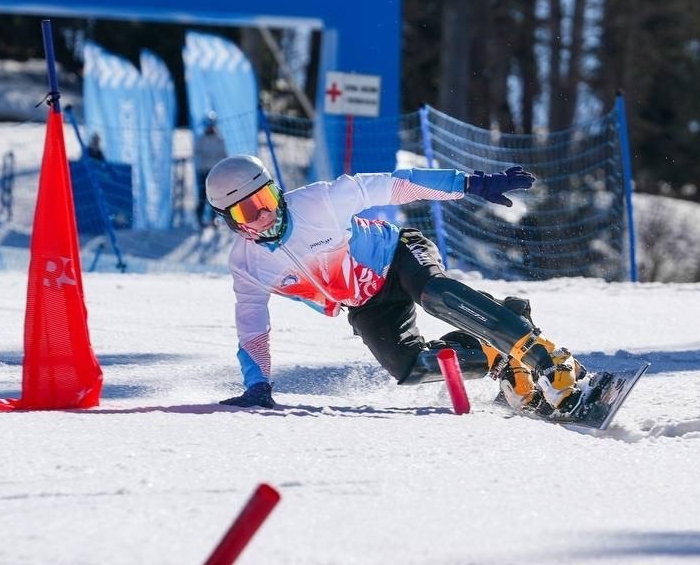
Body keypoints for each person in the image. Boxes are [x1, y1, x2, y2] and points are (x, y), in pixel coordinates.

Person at [205, 155, 589, 417]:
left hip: (399, 255)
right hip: (366, 302)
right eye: (248, 210)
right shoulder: (248, 264)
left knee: (435, 295)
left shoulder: (318, 202)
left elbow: (397, 185)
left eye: (268, 198)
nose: (267, 213)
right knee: (409, 368)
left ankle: (548, 359)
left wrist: (471, 183)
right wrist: (258, 386)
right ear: (231, 221)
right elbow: (252, 327)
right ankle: (498, 354)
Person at [193, 111, 228, 227]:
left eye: (211, 125)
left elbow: (223, 155)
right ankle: (199, 218)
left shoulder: (219, 140)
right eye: (208, 125)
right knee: (202, 196)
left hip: (215, 172)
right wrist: (202, 166)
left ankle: (214, 218)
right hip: (204, 172)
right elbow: (197, 155)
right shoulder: (201, 140)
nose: (210, 128)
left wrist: (221, 169)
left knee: (215, 196)